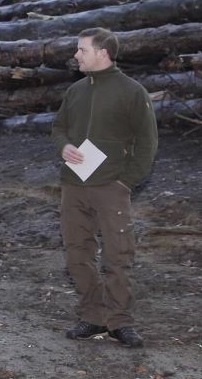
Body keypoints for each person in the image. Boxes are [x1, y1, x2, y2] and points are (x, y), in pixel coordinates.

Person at [52, 27, 157, 348]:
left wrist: (126, 181)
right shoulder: (76, 91)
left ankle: (120, 322)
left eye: (81, 50)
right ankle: (93, 316)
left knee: (118, 254)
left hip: (111, 185)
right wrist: (64, 147)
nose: (76, 55)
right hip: (74, 185)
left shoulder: (132, 92)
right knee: (77, 253)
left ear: (103, 53)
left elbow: (147, 143)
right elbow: (59, 128)